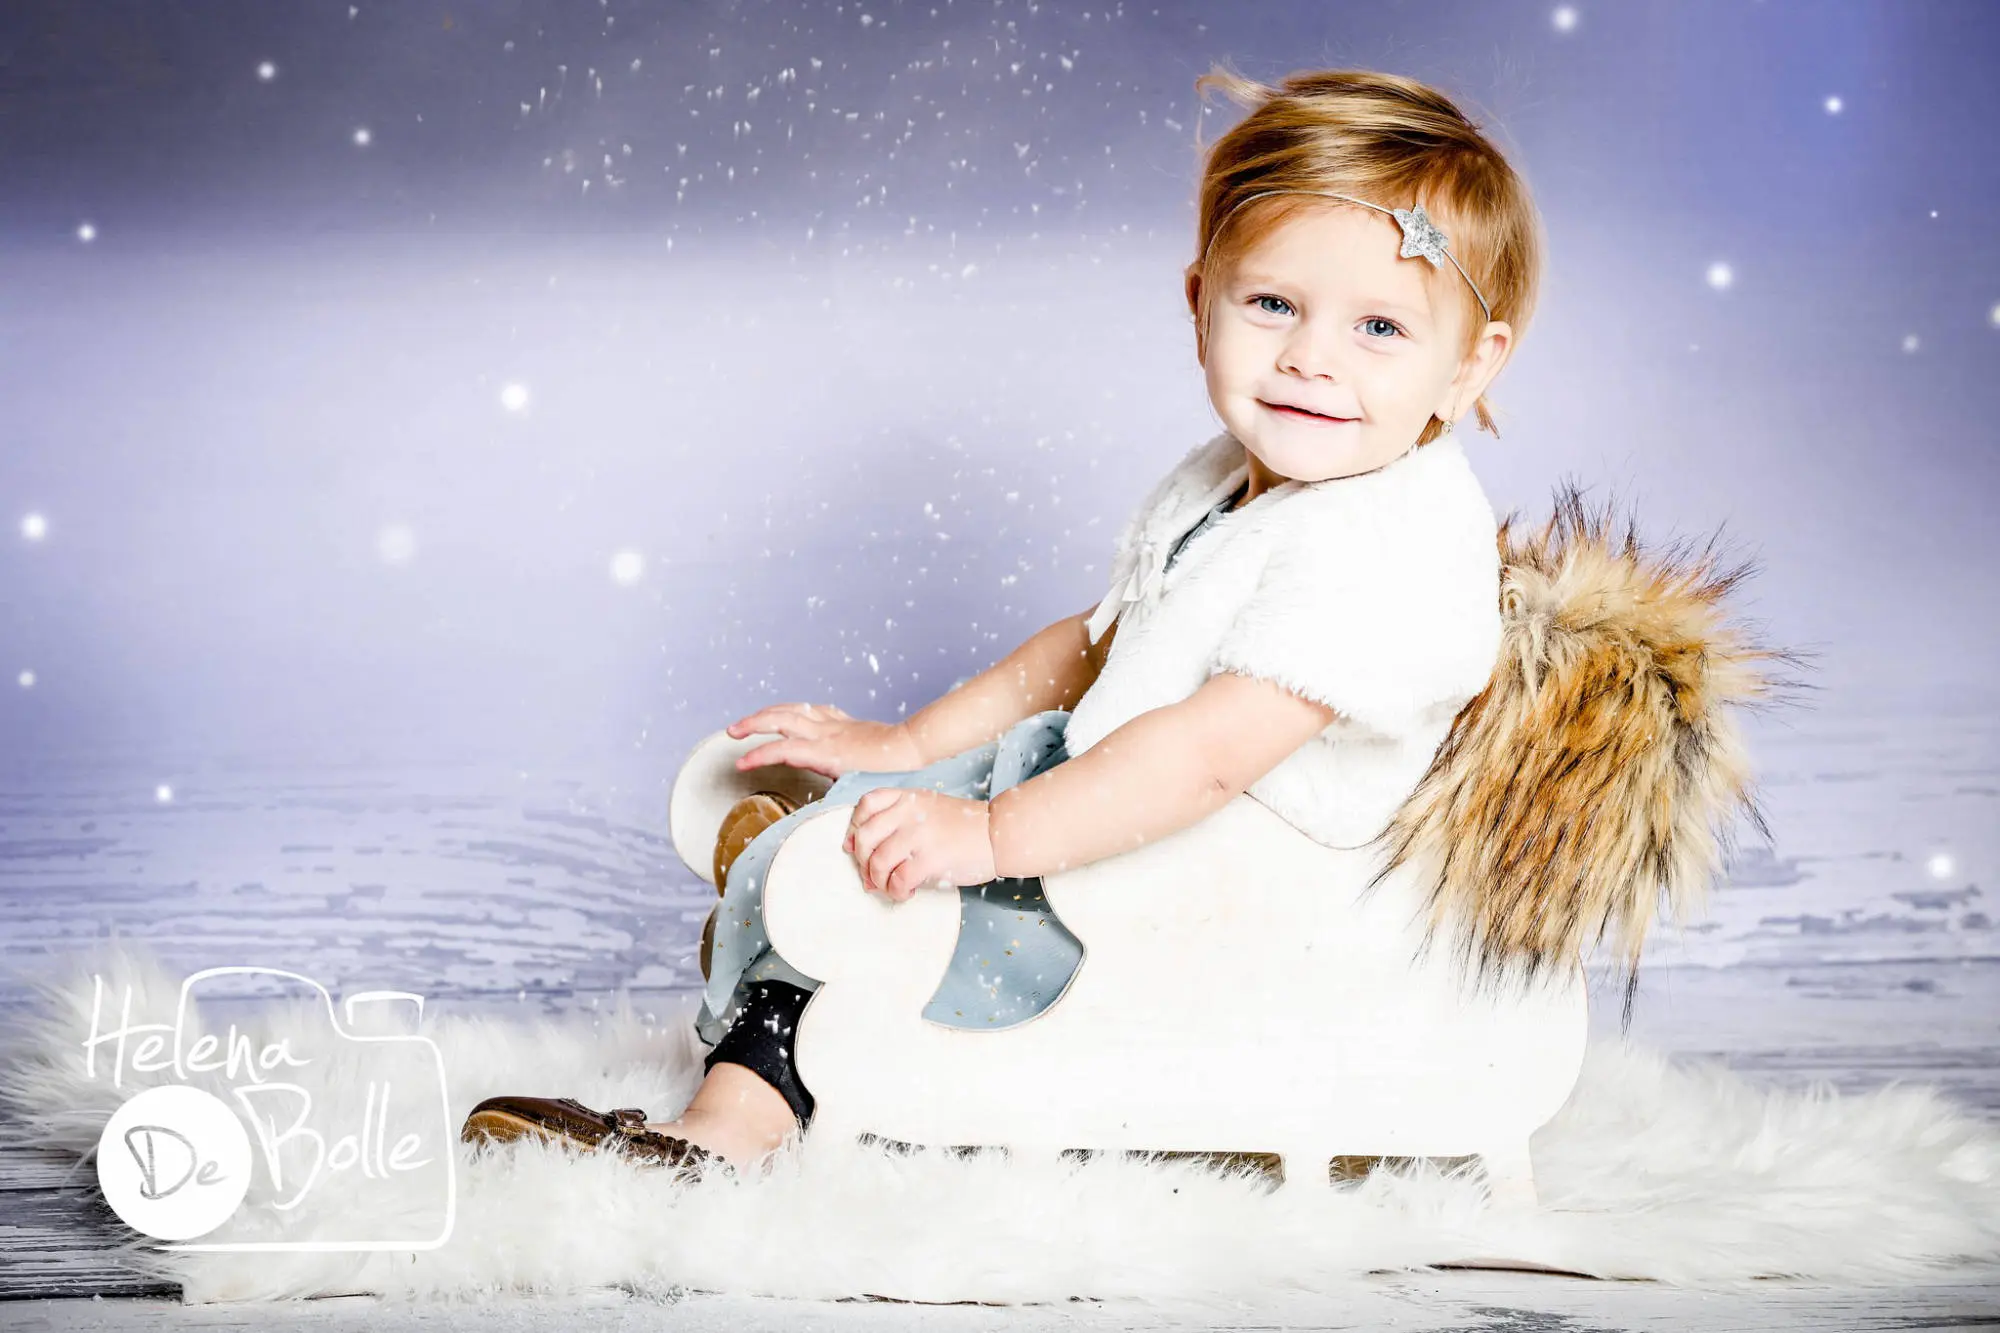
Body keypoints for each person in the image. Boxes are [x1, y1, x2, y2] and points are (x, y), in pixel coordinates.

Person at [462, 64, 1540, 1179]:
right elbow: (1096, 645)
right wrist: (905, 744)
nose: (1312, 357)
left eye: (1379, 326)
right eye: (1272, 305)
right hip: (1114, 809)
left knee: (869, 902)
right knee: (878, 828)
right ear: (1199, 304)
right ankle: (784, 892)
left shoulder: (1382, 547)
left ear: (1468, 366)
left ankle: (720, 1136)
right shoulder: (1239, 479)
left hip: (1220, 888)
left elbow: (1204, 758)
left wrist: (986, 836)